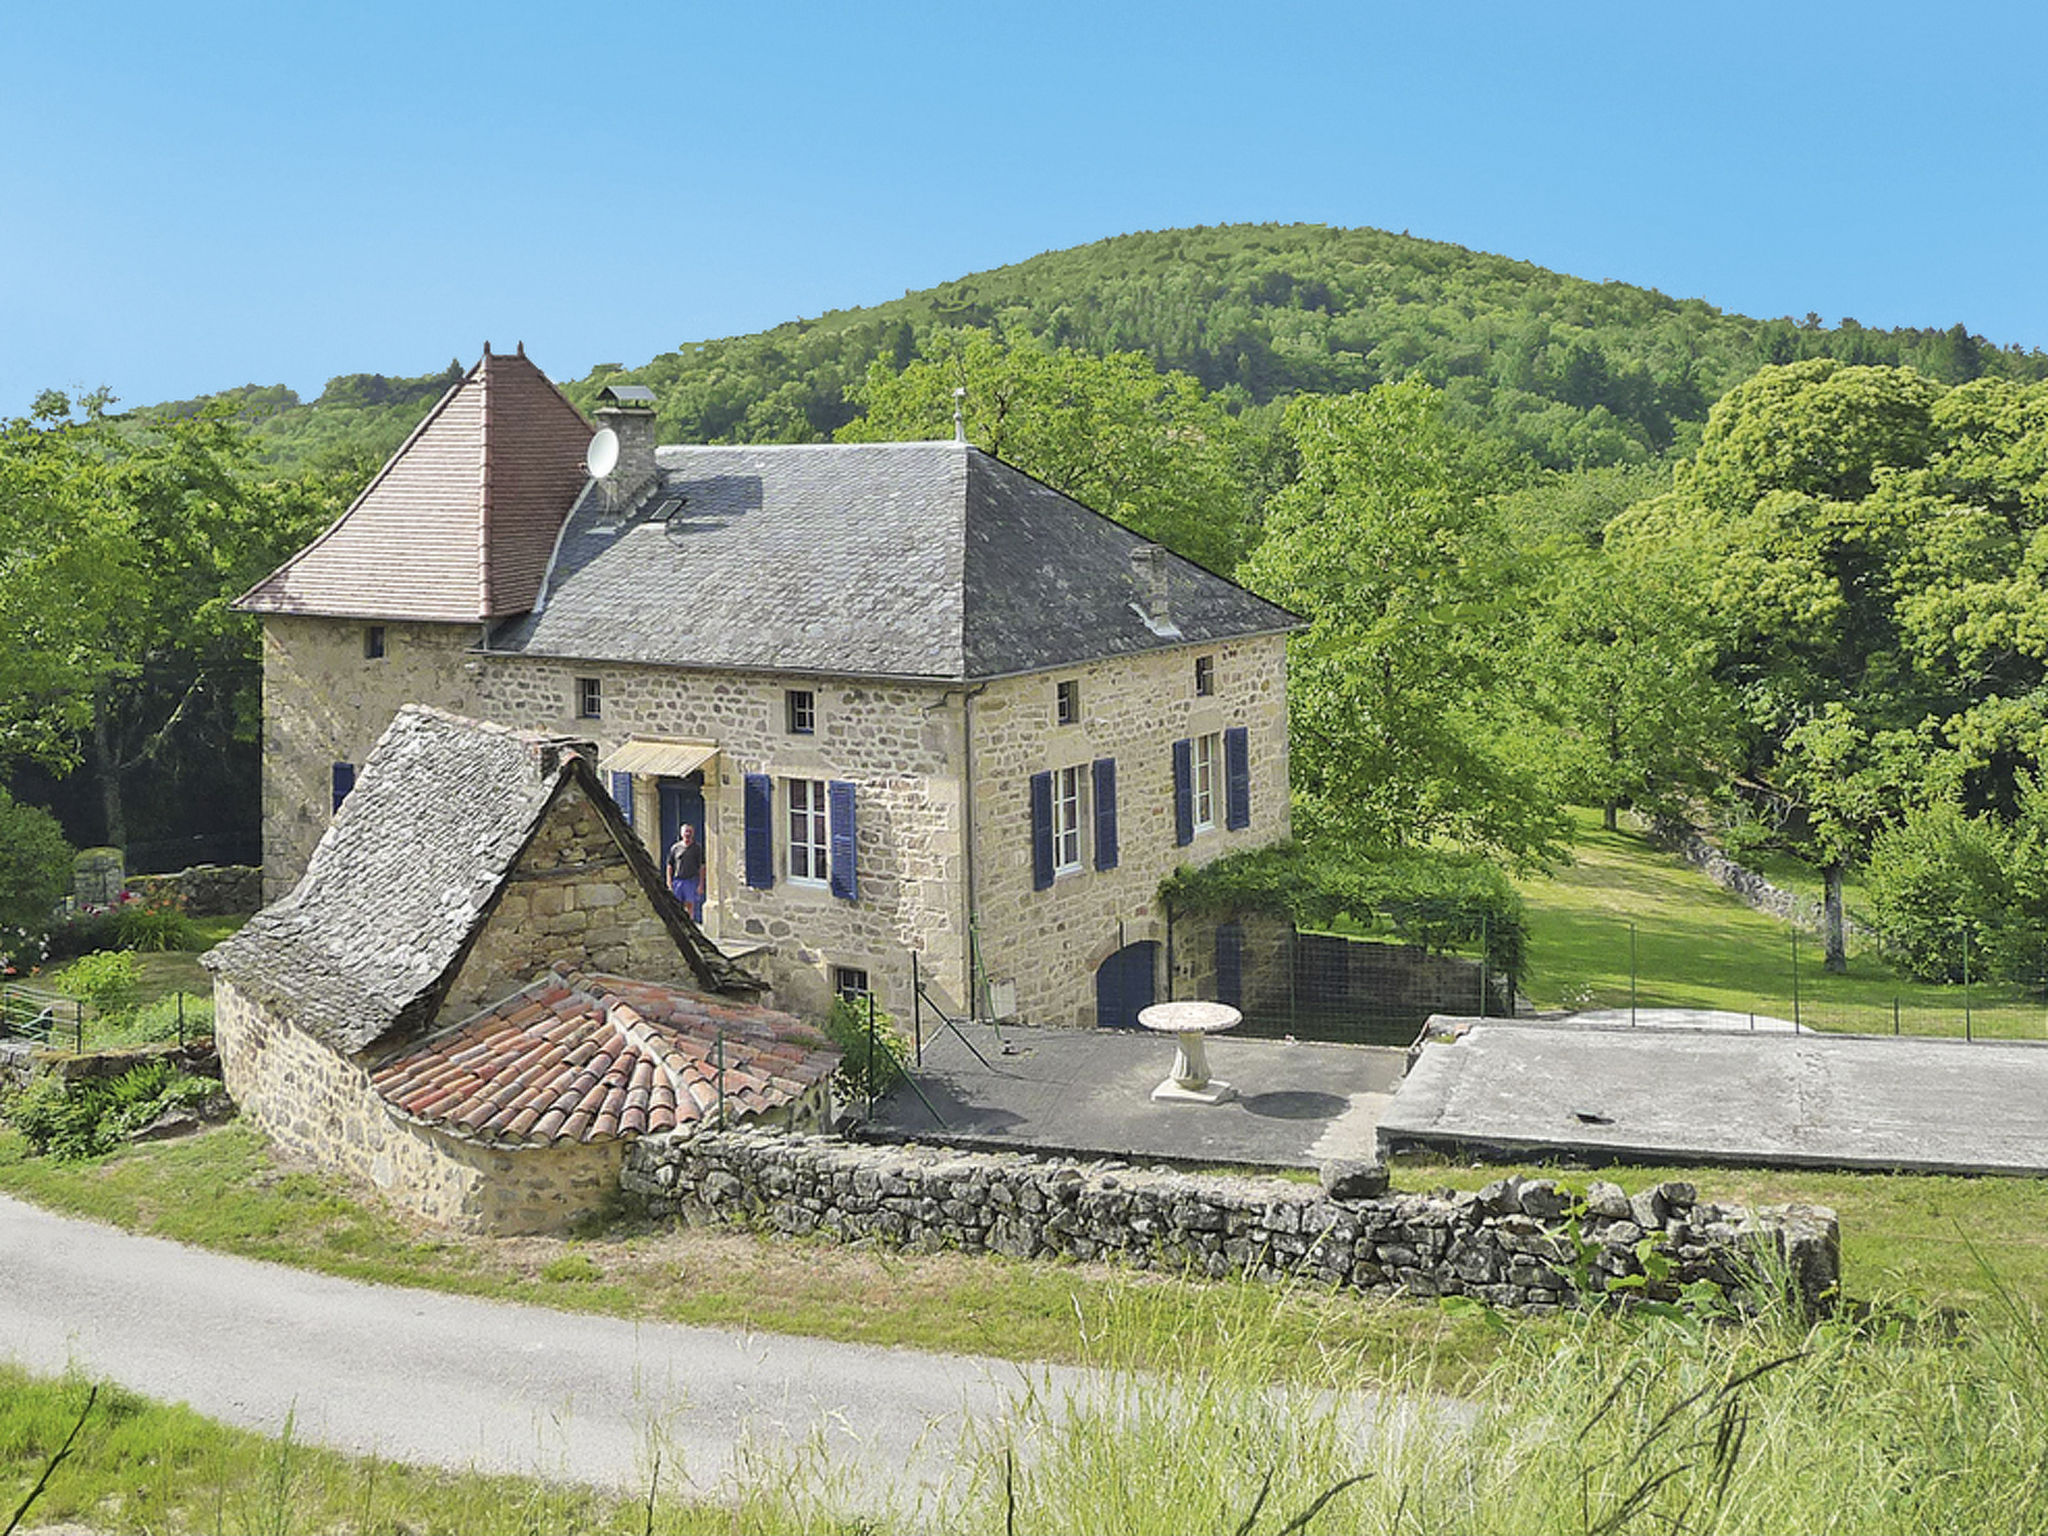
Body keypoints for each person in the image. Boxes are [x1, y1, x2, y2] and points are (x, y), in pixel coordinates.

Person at [666, 823, 705, 922]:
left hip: (691, 880)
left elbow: (702, 866)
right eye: (685, 831)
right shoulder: (675, 848)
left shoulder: (697, 848)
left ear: (693, 833)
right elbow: (670, 865)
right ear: (681, 833)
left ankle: (690, 924)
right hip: (678, 880)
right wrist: (669, 882)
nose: (687, 834)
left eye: (689, 831)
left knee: (690, 905)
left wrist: (701, 884)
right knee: (676, 905)